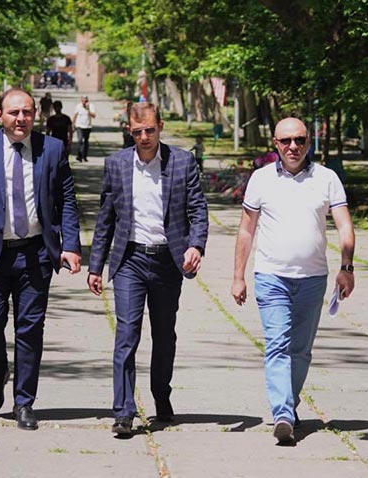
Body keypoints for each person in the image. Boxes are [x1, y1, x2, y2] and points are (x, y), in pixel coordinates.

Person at [0, 88, 82, 431]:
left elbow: (66, 199)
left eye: (27, 112)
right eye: (14, 112)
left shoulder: (52, 149)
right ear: (0, 115)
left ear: (35, 114)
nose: (21, 119)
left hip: (36, 253)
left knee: (30, 329)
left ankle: (24, 402)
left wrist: (71, 244)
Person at [230, 117, 355, 445]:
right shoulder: (261, 179)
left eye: (299, 140)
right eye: (286, 141)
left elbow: (344, 225)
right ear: (275, 144)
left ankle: (289, 403)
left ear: (308, 142)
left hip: (312, 279)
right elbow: (246, 230)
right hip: (271, 277)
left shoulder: (327, 178)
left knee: (300, 351)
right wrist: (238, 276)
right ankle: (283, 413)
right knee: (277, 345)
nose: (293, 146)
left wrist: (347, 267)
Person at [87, 102, 209, 437]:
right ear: (129, 130)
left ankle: (161, 395)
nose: (144, 137)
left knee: (164, 334)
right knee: (126, 334)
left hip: (168, 260)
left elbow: (198, 209)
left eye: (150, 130)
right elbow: (106, 218)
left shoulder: (182, 162)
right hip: (130, 259)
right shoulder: (116, 164)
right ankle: (124, 411)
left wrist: (196, 246)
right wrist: (95, 266)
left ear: (160, 127)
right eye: (138, 131)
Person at [72, 96, 96, 162]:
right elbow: (75, 115)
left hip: (87, 126)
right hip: (79, 126)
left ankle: (84, 156)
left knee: (86, 142)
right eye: (82, 101)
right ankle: (79, 156)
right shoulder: (78, 106)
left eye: (85, 101)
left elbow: (94, 116)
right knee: (80, 141)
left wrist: (88, 109)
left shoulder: (91, 106)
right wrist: (72, 124)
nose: (84, 102)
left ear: (87, 100)